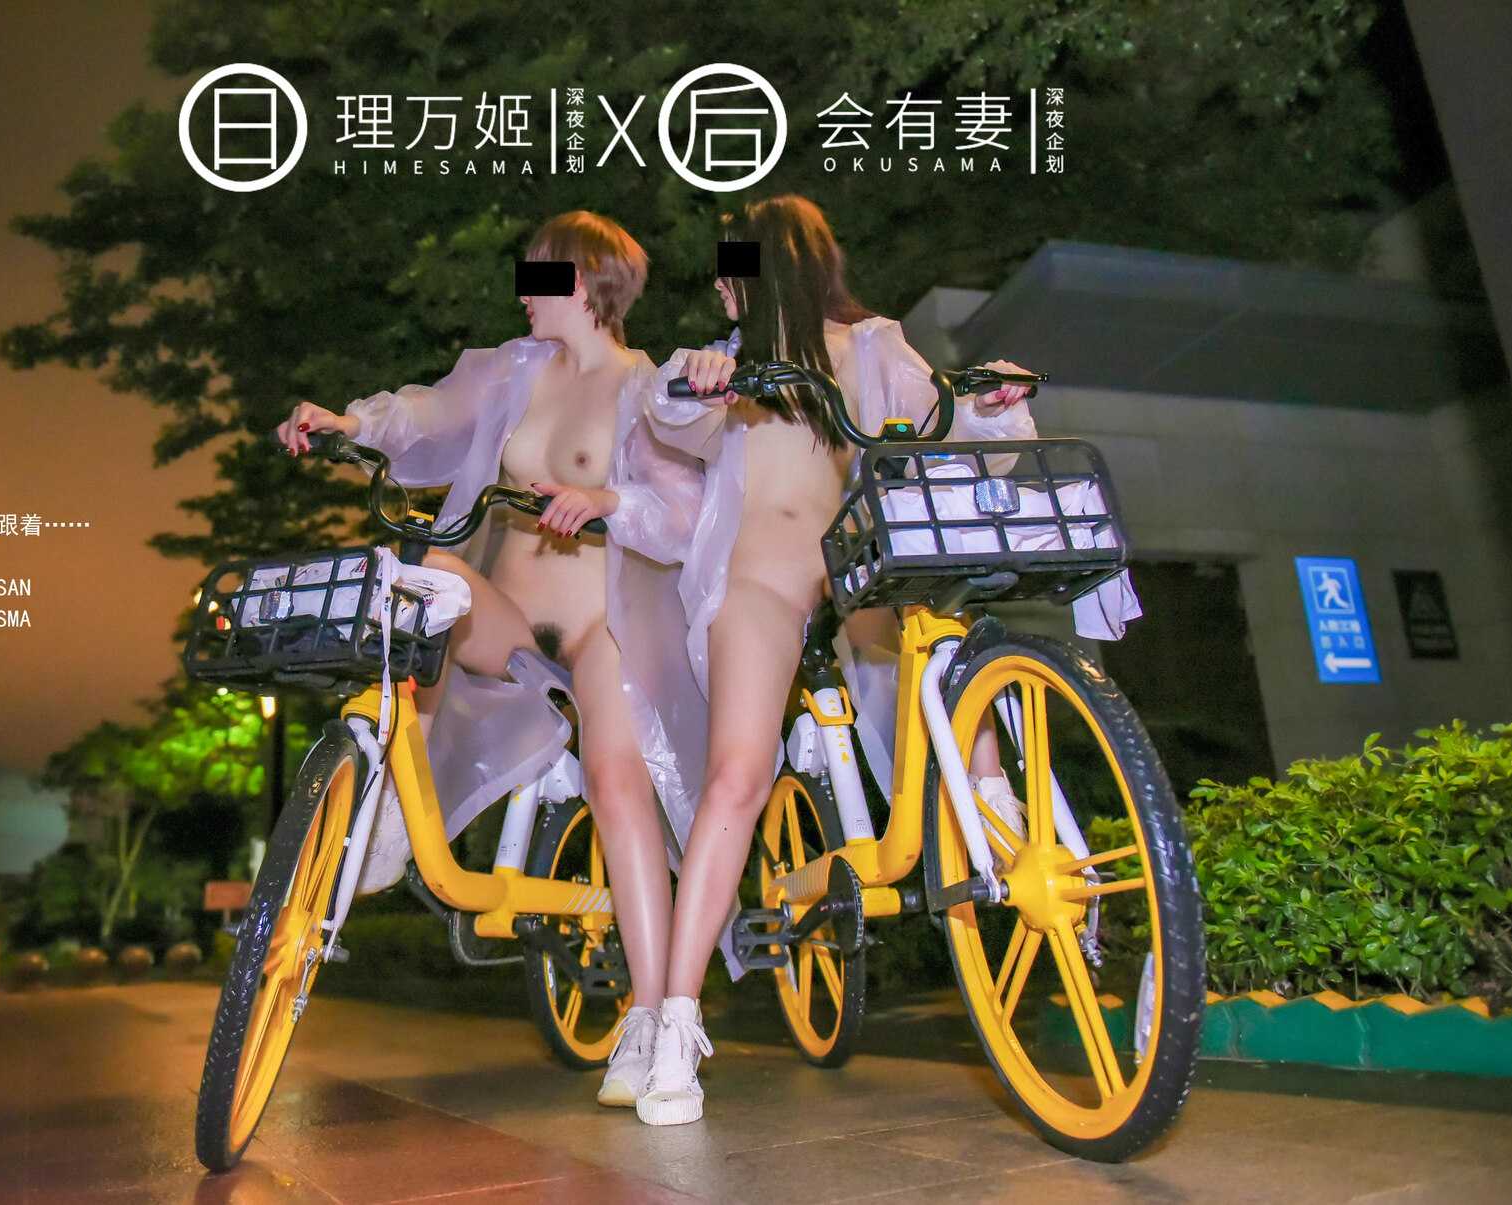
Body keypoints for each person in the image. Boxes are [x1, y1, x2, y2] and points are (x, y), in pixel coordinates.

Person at [633, 195, 1054, 1125]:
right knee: (737, 775)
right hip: (763, 576)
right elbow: (670, 414)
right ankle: (674, 1019)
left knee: (935, 617)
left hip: (860, 567)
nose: (717, 288)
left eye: (728, 270)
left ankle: (990, 798)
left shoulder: (870, 346)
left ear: (764, 266)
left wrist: (987, 405)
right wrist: (697, 378)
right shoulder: (730, 365)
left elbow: (939, 421)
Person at [276, 211, 706, 1108]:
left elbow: (682, 516)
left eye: (537, 275)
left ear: (582, 281)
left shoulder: (646, 389)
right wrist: (347, 420)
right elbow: (428, 411)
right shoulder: (516, 370)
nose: (522, 293)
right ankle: (397, 801)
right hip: (506, 620)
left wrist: (606, 499)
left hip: (600, 631)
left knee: (617, 784)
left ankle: (651, 1017)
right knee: (422, 574)